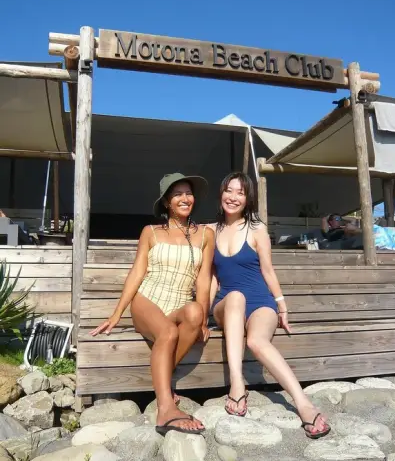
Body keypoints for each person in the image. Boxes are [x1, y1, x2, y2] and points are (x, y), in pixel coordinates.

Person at [91, 173, 215, 435]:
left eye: (188, 193)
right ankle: (165, 408)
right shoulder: (151, 232)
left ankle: (162, 381)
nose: (185, 198)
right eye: (177, 194)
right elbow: (137, 272)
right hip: (147, 301)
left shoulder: (206, 234)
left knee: (194, 312)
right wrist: (116, 314)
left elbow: (204, 280)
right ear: (167, 202)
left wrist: (203, 320)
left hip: (179, 303)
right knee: (168, 332)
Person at [211, 172, 331, 439]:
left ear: (248, 199)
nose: (233, 197)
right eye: (229, 190)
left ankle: (303, 403)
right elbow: (210, 277)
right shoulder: (210, 231)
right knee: (236, 297)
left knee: (257, 341)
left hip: (259, 301)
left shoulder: (257, 230)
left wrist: (282, 307)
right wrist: (200, 315)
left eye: (240, 192)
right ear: (221, 193)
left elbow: (268, 271)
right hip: (227, 303)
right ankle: (237, 384)